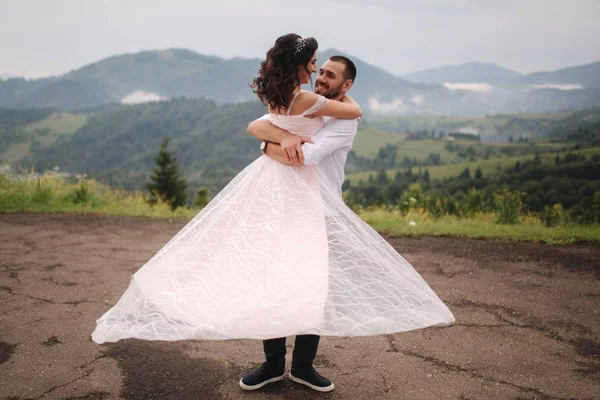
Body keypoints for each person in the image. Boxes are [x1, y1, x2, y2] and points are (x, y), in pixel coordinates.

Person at [91, 33, 454, 393]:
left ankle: (303, 367)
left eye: (330, 74)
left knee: (313, 286)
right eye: (320, 69)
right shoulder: (301, 100)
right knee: (273, 280)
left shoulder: (341, 120)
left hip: (320, 209)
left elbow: (306, 155)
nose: (321, 76)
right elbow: (256, 125)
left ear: (348, 83)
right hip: (281, 206)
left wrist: (270, 144)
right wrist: (276, 137)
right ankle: (272, 364)